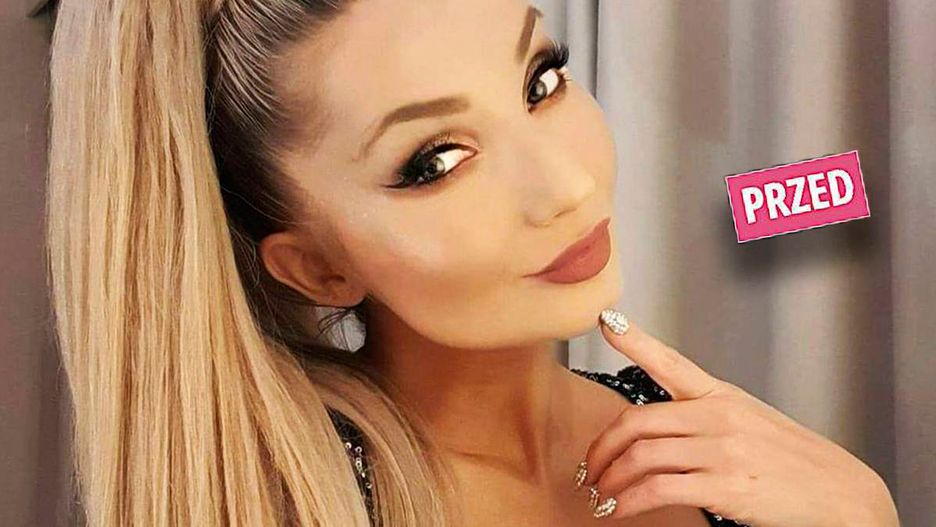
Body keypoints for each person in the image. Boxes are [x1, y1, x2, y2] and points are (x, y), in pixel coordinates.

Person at [45, 0, 899, 525]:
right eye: (438, 160)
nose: (567, 186)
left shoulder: (694, 437)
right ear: (316, 268)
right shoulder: (307, 505)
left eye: (540, 82)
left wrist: (865, 513)